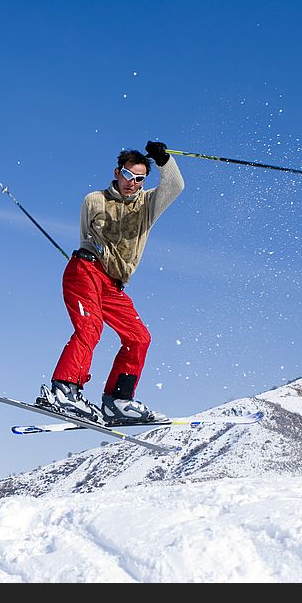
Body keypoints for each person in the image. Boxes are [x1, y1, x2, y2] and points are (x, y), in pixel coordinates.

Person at [37, 140, 184, 424]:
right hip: (86, 271)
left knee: (139, 337)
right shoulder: (95, 199)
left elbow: (175, 185)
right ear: (118, 172)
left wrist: (164, 160)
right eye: (128, 175)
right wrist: (94, 256)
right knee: (90, 328)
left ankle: (118, 400)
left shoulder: (148, 204)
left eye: (140, 178)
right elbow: (86, 235)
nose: (133, 182)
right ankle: (64, 390)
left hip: (113, 284)